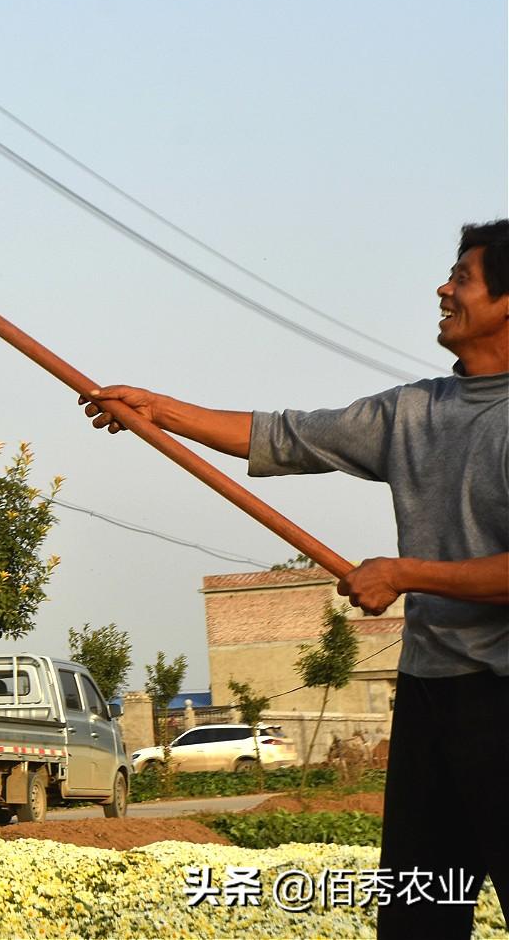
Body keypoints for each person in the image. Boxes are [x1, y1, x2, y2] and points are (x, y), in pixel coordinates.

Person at [81, 219, 508, 939]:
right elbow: (284, 434)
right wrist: (160, 411)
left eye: (461, 277)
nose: (443, 287)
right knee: (419, 913)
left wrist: (404, 572)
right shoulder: (412, 411)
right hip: (432, 697)